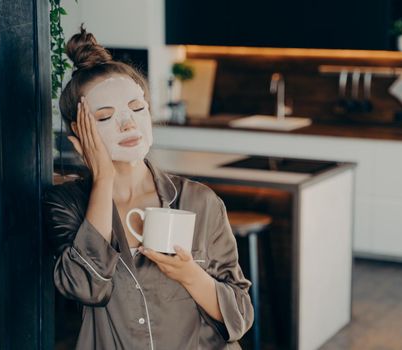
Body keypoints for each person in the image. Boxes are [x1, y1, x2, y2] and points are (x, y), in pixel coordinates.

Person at [43, 26, 254, 349]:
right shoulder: (66, 204)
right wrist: (103, 180)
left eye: (137, 109)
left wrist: (189, 274)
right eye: (104, 116)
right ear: (78, 134)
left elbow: (239, 315)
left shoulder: (199, 200)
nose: (128, 124)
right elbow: (87, 287)